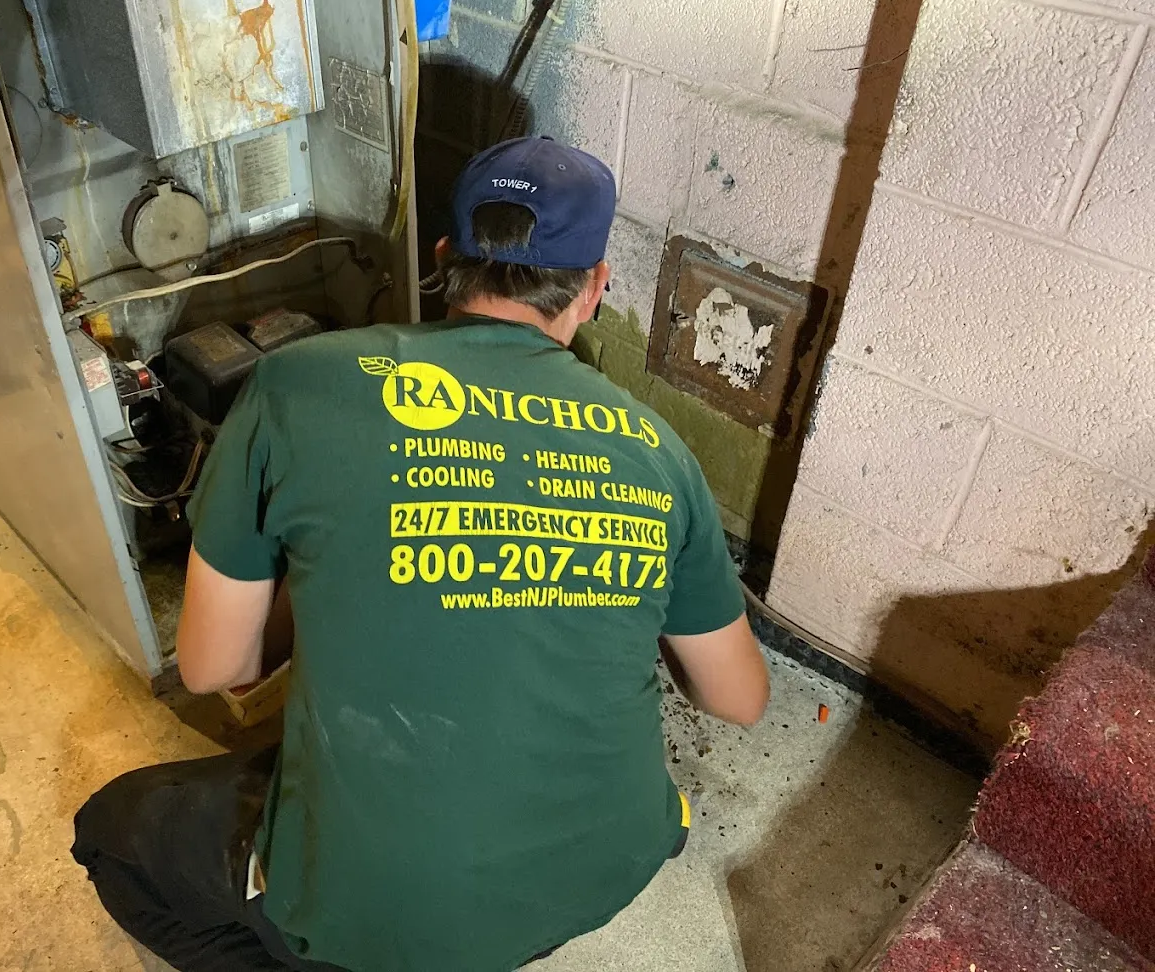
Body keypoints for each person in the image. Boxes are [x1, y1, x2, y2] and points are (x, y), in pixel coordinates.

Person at [72, 136, 770, 972]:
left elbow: (213, 667)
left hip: (388, 901)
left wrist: (348, 567)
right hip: (605, 867)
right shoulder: (659, 452)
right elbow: (740, 700)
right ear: (594, 290)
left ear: (445, 260)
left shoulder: (300, 383)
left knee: (112, 834)